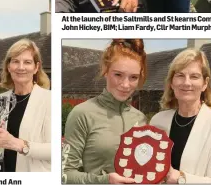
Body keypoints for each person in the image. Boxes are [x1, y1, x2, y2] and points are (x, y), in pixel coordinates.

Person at [62, 39, 148, 184]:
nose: (126, 85)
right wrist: (104, 181)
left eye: (133, 77)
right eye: (118, 75)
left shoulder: (140, 118)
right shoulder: (82, 113)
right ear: (106, 71)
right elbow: (64, 175)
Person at [150, 48, 211, 183]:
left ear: (205, 83)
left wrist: (181, 179)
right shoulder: (157, 120)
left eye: (194, 76)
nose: (186, 82)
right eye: (180, 75)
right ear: (172, 83)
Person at [0, 39, 51, 172]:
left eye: (27, 62)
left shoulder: (49, 100)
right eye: (15, 61)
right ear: (9, 67)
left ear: (36, 67)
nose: (21, 67)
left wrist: (17, 144)